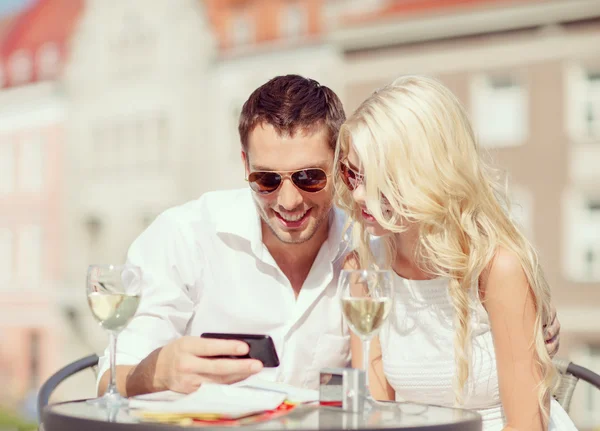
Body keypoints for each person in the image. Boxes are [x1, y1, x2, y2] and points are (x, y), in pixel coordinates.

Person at [97, 74, 561, 398]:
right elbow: (108, 384)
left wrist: (523, 323)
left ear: (340, 165)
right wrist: (158, 371)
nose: (288, 201)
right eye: (266, 180)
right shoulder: (186, 237)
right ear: (245, 167)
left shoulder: (367, 246)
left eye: (309, 178)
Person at [334, 75, 576, 430]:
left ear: (426, 174)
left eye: (376, 178)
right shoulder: (365, 267)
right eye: (351, 174)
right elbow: (373, 413)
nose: (356, 195)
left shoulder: (497, 269)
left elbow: (527, 423)